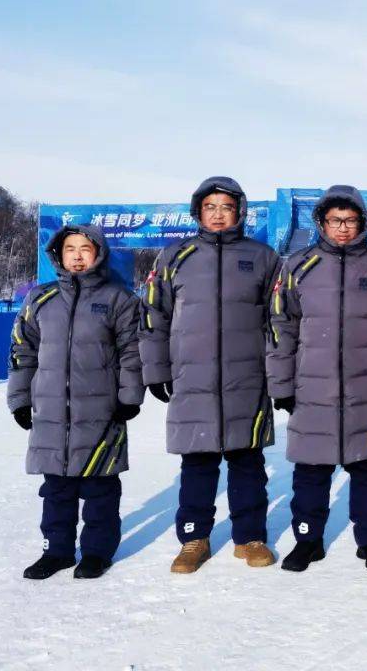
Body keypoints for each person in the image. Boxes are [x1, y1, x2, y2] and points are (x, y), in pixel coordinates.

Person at [139, 176, 281, 574]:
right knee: (198, 463)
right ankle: (193, 539)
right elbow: (153, 316)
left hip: (248, 378)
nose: (218, 215)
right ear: (198, 212)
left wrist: (278, 370)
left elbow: (279, 319)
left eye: (226, 207)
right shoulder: (174, 257)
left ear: (240, 211)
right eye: (210, 207)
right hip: (193, 378)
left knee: (247, 460)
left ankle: (250, 537)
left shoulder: (263, 257)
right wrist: (156, 369)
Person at [267, 186, 367, 571]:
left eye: (350, 220)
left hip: (364, 386)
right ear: (322, 222)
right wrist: (281, 384)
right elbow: (281, 326)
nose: (343, 228)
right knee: (311, 469)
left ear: (362, 221)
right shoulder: (298, 265)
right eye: (335, 220)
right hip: (313, 386)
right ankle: (308, 540)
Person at [7, 225, 143, 580]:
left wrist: (129, 396)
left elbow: (132, 352)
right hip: (51, 414)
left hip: (101, 412)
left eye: (86, 248)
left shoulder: (119, 300)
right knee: (56, 489)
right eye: (71, 249)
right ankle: (58, 550)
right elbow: (23, 350)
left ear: (99, 253)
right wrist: (21, 399)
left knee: (100, 487)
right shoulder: (40, 299)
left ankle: (97, 552)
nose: (78, 256)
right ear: (59, 254)